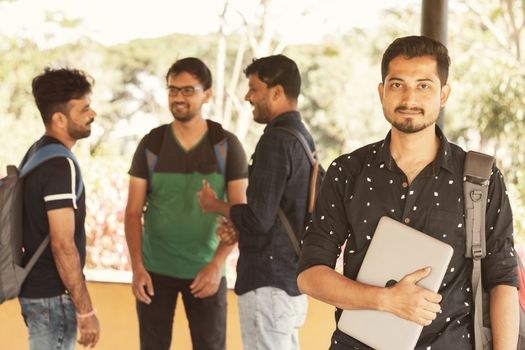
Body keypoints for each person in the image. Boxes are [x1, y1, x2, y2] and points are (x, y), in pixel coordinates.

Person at [297, 35, 520, 349]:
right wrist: (385, 300)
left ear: (444, 94)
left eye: (424, 85)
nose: (409, 98)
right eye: (397, 84)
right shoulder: (348, 171)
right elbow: (310, 274)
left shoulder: (479, 178)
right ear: (382, 91)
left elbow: (503, 279)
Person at [125, 57, 248, 350]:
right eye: (172, 90)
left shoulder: (227, 145)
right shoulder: (151, 144)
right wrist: (138, 268)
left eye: (188, 90)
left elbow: (240, 213)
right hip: (154, 272)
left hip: (206, 272)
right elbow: (132, 213)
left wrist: (217, 264)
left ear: (207, 94)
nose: (178, 97)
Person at [197, 54, 314, 349]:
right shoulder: (302, 137)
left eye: (254, 89)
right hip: (288, 284)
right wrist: (237, 223)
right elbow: (273, 213)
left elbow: (258, 219)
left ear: (277, 92)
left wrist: (216, 205)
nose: (247, 96)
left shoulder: (276, 140)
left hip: (268, 284)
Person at [19, 68, 100, 349]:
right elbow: (63, 244)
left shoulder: (36, 153)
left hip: (36, 292)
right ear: (59, 118)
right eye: (85, 109)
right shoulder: (60, 165)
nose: (93, 114)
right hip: (53, 296)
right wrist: (86, 310)